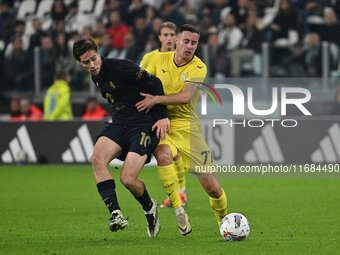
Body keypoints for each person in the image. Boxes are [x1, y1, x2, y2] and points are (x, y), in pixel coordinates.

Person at [72, 37, 170, 237]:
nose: (92, 65)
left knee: (127, 179)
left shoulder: (120, 68)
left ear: (99, 53)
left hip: (143, 124)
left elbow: (155, 82)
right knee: (96, 159)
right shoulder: (96, 76)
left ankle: (150, 207)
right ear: (80, 63)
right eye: (86, 62)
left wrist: (162, 116)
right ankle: (116, 214)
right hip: (120, 123)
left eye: (93, 59)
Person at [136, 24, 228, 235]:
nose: (189, 46)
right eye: (185, 41)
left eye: (194, 43)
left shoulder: (198, 67)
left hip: (188, 128)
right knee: (163, 153)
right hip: (162, 123)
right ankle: (179, 209)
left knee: (213, 188)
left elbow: (185, 96)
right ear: (176, 41)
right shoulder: (157, 60)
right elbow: (140, 87)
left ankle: (224, 222)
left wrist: (157, 99)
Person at [140, 21, 188, 209]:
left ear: (176, 38)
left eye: (171, 35)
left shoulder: (183, 59)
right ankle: (180, 194)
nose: (168, 38)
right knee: (167, 154)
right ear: (159, 37)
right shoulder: (150, 58)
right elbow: (141, 82)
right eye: (165, 35)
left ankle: (180, 194)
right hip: (155, 113)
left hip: (175, 114)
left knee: (171, 153)